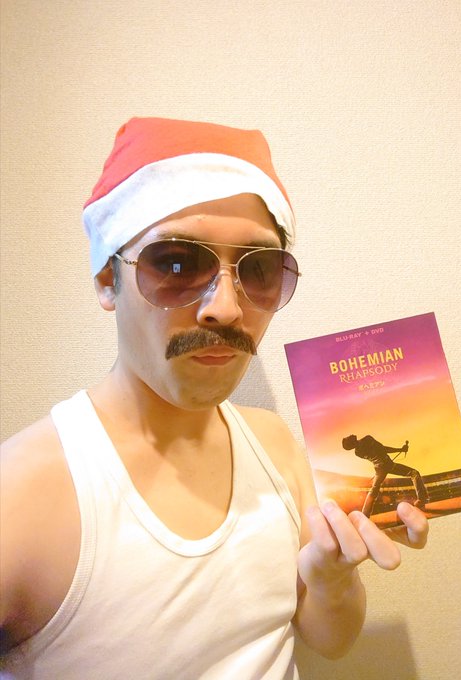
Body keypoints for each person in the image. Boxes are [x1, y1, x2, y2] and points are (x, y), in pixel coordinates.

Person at [0, 117, 428, 679]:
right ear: (107, 278)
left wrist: (331, 581)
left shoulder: (275, 447)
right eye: (176, 264)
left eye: (259, 269)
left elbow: (330, 640)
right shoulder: (23, 496)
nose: (226, 308)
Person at [342, 434, 429, 517]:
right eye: (348, 437)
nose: (350, 435)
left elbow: (379, 451)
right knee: (414, 473)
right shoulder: (367, 439)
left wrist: (400, 450)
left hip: (379, 469)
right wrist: (400, 449)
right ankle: (421, 500)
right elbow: (383, 449)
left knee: (374, 489)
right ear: (351, 442)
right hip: (388, 465)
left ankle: (365, 513)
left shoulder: (357, 453)